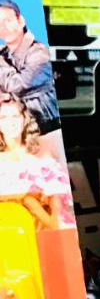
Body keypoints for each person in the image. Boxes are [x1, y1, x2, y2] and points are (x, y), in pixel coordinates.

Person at [0, 93, 73, 229]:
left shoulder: (41, 152)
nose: (11, 123)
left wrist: (47, 214)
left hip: (50, 224)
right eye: (3, 118)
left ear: (24, 119)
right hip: (12, 227)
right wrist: (27, 199)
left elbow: (58, 195)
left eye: (15, 116)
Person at [0, 0, 61, 160]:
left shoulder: (40, 53)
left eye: (8, 20)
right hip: (16, 136)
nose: (3, 27)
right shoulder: (4, 55)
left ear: (21, 21)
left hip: (46, 130)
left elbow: (16, 86)